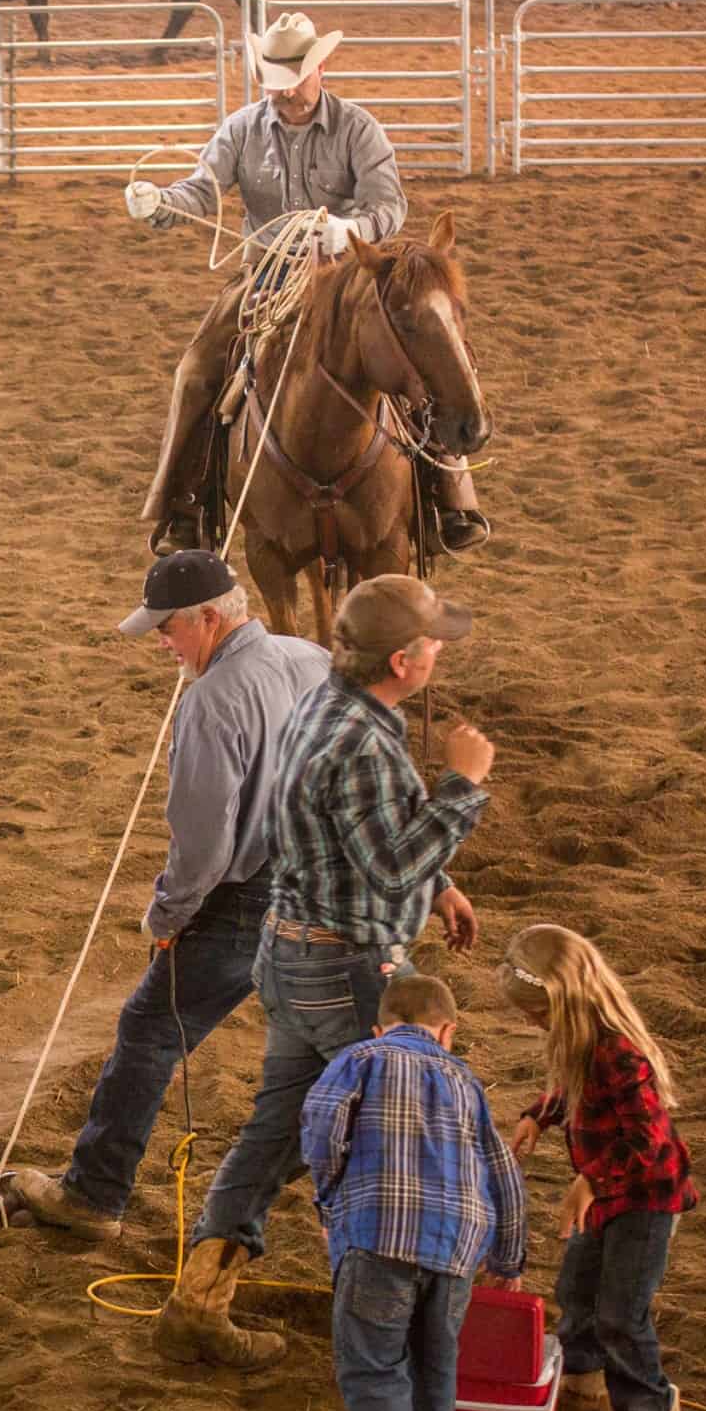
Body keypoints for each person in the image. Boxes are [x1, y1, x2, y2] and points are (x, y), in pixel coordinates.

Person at [158, 574, 493, 1369]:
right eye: (434, 641)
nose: (441, 650)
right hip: (350, 968)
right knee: (400, 1136)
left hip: (294, 953)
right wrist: (462, 788)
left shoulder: (323, 706)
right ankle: (395, 1332)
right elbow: (386, 864)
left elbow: (333, 828)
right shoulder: (368, 742)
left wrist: (436, 884)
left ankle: (198, 1299)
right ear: (405, 660)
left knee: (274, 1134)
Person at [4, 553, 328, 1240]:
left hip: (244, 899)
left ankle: (94, 1194)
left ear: (210, 617)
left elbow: (204, 843)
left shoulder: (210, 701)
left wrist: (168, 914)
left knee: (149, 1032)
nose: (162, 642)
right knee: (318, 1050)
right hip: (315, 885)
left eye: (168, 629)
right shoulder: (310, 659)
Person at [123, 12, 491, 560]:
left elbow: (389, 205)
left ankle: (451, 500)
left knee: (418, 346)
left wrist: (352, 229)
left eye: (295, 79)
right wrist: (161, 204)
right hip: (266, 276)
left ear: (320, 69)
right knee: (197, 369)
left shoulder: (357, 128)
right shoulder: (243, 129)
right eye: (276, 83)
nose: (287, 92)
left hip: (348, 277)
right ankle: (184, 505)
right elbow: (202, 191)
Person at [301, 973, 527, 1411]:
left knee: (373, 1369)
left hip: (377, 1233)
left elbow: (322, 1125)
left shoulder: (361, 1057)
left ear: (381, 1027)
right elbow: (503, 1172)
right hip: (456, 1247)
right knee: (435, 1373)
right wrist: (509, 1258)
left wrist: (328, 1200)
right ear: (447, 1032)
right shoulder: (466, 1080)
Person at [501, 923, 697, 1411]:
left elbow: (648, 1140)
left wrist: (590, 1180)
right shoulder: (580, 1042)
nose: (533, 1025)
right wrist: (538, 1116)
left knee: (621, 1313)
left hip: (642, 1200)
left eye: (537, 1016)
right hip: (606, 1194)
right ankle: (584, 1377)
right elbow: (568, 1089)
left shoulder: (617, 1051)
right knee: (576, 1288)